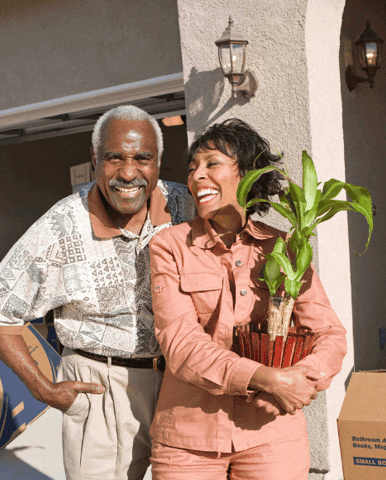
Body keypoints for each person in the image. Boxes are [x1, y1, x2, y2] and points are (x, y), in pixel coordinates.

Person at [0, 105, 194, 480]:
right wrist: (42, 388)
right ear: (94, 160)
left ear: (159, 161)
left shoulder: (183, 204)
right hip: (102, 389)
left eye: (143, 158)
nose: (128, 173)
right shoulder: (61, 226)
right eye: (114, 158)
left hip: (182, 384)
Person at [148, 119, 348, 479]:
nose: (196, 177)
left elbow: (329, 334)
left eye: (212, 164)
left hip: (271, 433)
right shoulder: (170, 246)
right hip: (189, 436)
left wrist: (301, 380)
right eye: (193, 168)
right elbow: (180, 343)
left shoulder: (285, 247)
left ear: (249, 175)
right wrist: (265, 379)